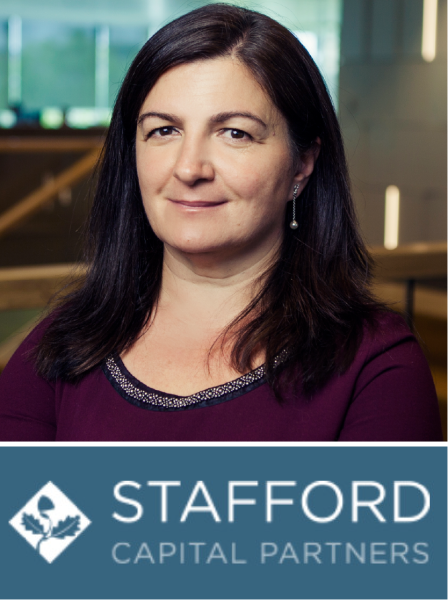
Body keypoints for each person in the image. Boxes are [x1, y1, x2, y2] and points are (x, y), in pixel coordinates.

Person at [0, 4, 443, 442]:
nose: (189, 168)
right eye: (163, 131)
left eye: (235, 133)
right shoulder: (56, 348)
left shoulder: (377, 369)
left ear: (302, 164)